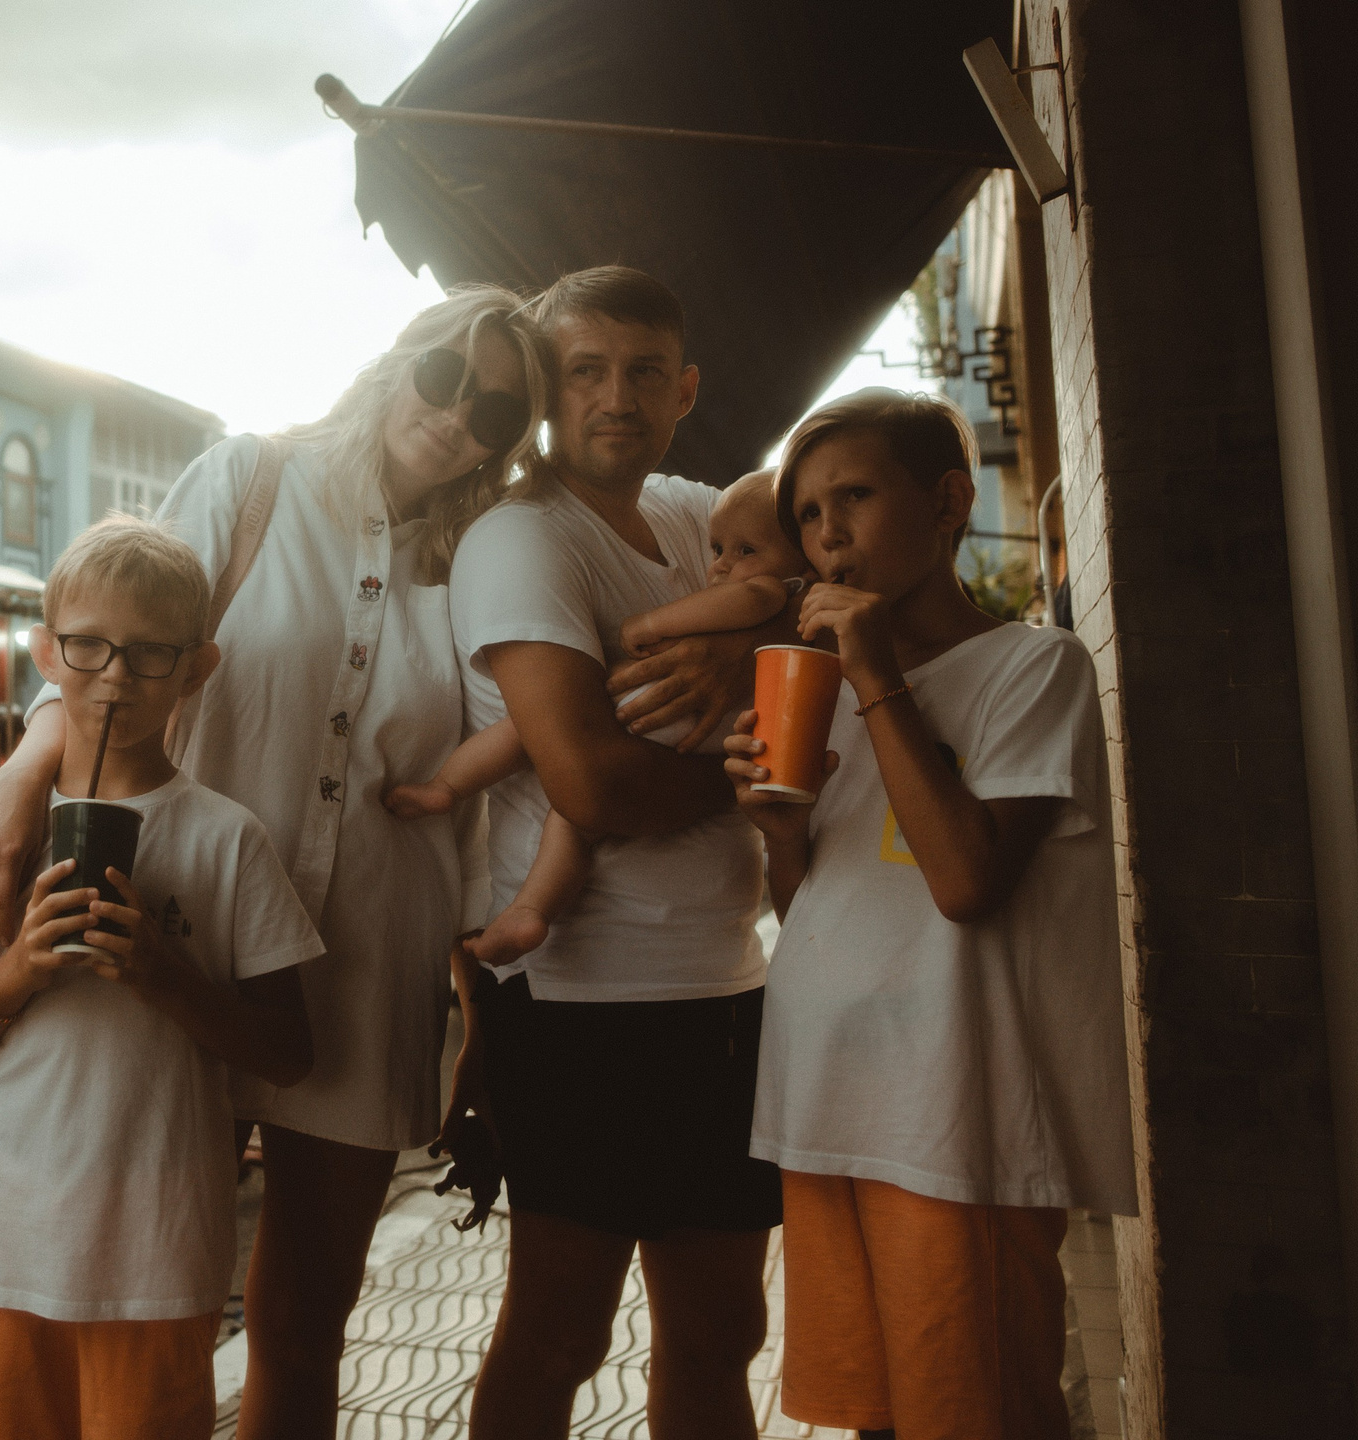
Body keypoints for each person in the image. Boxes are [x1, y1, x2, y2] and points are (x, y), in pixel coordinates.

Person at [0, 284, 711, 1437]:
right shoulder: (251, 477)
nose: (460, 417)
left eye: (500, 409)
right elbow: (119, 646)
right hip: (180, 924)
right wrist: (15, 782)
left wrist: (479, 1011)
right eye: (447, 377)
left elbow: (491, 780)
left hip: (366, 959)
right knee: (125, 1291)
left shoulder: (482, 554)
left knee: (306, 1315)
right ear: (395, 361)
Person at [724, 390, 1135, 1438]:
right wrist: (778, 829)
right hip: (828, 1108)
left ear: (948, 501)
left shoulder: (1031, 668)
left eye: (853, 496)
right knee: (871, 1416)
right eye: (809, 515)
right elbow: (816, 911)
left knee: (977, 1412)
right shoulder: (836, 697)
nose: (827, 536)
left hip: (957, 1123)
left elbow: (964, 883)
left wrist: (870, 676)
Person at [447, 266, 780, 1436]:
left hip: (726, 987)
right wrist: (744, 772)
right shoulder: (520, 539)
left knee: (719, 1334)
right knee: (558, 1334)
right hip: (584, 997)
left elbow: (800, 584)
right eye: (584, 371)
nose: (615, 398)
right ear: (546, 388)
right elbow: (588, 776)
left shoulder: (693, 515)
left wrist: (752, 655)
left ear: (684, 388)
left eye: (643, 371)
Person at [0, 516, 322, 1440]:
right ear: (48, 654)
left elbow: (289, 1053)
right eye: (88, 647)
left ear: (197, 668)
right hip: (11, 1241)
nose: (116, 678)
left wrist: (167, 977)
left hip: (157, 1255)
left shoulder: (226, 838)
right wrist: (13, 976)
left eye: (149, 654)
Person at [387, 468, 812, 969]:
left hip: (672, 712)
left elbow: (747, 600)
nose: (719, 566)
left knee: (530, 745)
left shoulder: (771, 589)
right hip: (684, 725)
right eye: (717, 548)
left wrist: (649, 622)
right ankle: (527, 903)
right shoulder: (521, 531)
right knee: (568, 814)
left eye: (745, 551)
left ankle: (452, 792)